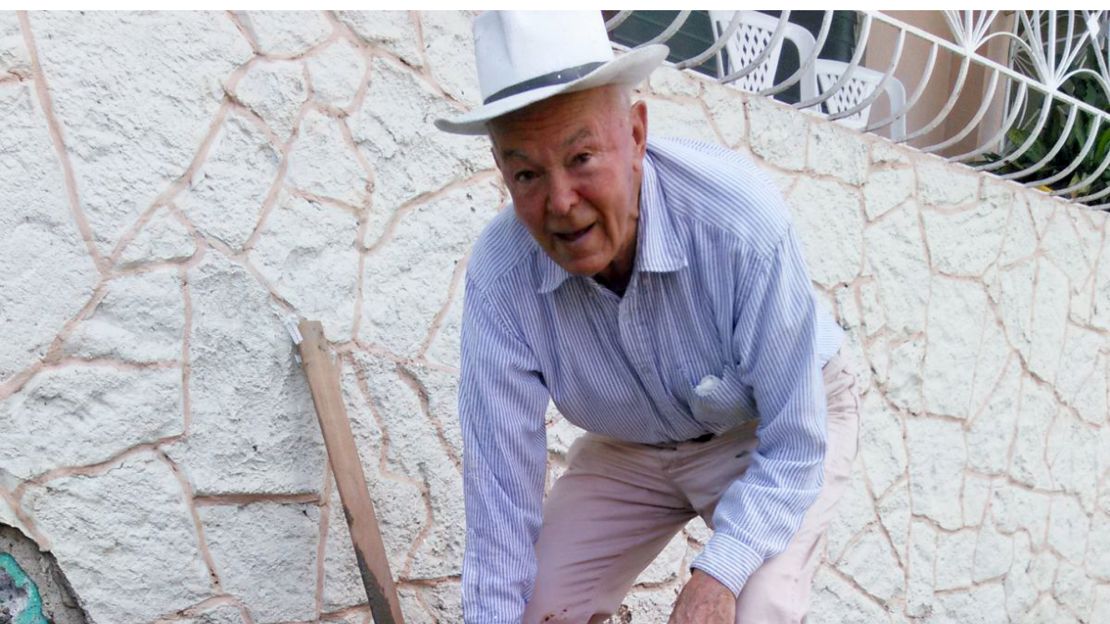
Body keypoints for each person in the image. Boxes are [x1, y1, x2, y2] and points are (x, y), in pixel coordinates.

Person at [435, 11, 860, 624]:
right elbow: (500, 496)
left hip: (770, 426)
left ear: (635, 134)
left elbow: (795, 443)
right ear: (502, 170)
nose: (560, 203)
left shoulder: (738, 223)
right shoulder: (501, 277)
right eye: (526, 172)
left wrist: (719, 574)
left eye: (581, 157)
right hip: (632, 444)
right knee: (537, 610)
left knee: (753, 608)